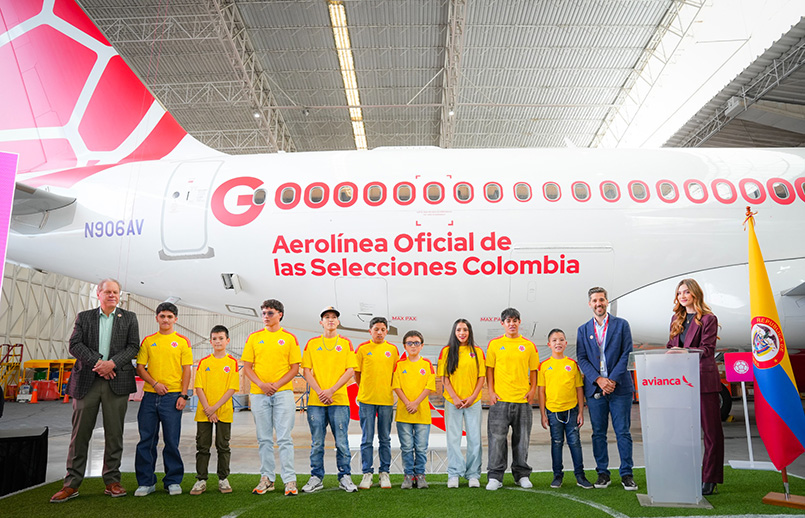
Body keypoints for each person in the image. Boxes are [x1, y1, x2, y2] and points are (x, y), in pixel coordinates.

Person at [50, 279, 140, 503]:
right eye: (108, 291)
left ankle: (112, 481)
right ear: (98, 293)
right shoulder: (85, 317)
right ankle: (71, 484)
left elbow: (133, 346)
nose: (112, 295)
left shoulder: (129, 318)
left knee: (114, 434)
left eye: (115, 292)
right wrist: (99, 363)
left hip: (116, 381)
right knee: (80, 434)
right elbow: (75, 345)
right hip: (87, 381)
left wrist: (112, 364)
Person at [666, 278, 724, 496]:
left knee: (711, 433)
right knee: (682, 432)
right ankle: (685, 474)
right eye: (679, 293)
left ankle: (710, 478)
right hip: (681, 382)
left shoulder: (709, 319)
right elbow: (670, 345)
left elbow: (708, 349)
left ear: (695, 294)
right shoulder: (676, 318)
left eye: (686, 292)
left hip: (703, 381)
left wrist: (683, 352)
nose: (682, 296)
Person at [576, 287, 637, 491]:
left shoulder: (621, 325)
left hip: (620, 388)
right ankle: (603, 473)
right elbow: (582, 358)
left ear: (606, 301)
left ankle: (627, 474)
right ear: (590, 304)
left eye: (601, 299)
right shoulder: (583, 330)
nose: (598, 303)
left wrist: (611, 380)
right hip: (596, 389)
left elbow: (626, 353)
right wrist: (599, 380)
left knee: (623, 432)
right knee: (598, 433)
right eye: (594, 300)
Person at [242, 299, 302, 496]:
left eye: (270, 313)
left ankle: (289, 480)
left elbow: (295, 367)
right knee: (264, 438)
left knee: (284, 438)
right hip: (259, 394)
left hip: (283, 393)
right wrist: (261, 384)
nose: (266, 316)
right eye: (264, 313)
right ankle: (267, 478)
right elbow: (247, 367)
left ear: (280, 315)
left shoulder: (289, 338)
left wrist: (276, 385)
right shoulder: (254, 338)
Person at [134, 302, 193, 496]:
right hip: (150, 396)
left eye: (169, 316)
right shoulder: (148, 341)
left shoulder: (183, 341)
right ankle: (146, 482)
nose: (166, 320)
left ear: (175, 319)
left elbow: (187, 370)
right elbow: (140, 368)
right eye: (162, 316)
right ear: (156, 318)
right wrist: (155, 383)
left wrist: (183, 395)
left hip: (173, 397)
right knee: (146, 440)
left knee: (171, 440)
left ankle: (173, 481)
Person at [301, 307, 358, 493]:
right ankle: (316, 477)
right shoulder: (312, 343)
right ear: (321, 322)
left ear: (338, 322)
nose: (331, 320)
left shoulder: (346, 343)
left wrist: (331, 390)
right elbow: (306, 370)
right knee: (317, 442)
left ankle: (345, 476)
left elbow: (350, 370)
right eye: (327, 317)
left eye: (334, 317)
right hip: (316, 402)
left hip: (339, 400)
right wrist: (320, 391)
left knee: (341, 441)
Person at [485, 307, 539, 491]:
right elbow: (490, 370)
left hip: (522, 401)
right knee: (497, 440)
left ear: (519, 322)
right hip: (500, 400)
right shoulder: (494, 344)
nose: (512, 324)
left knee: (522, 440)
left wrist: (532, 391)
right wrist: (491, 392)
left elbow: (534, 371)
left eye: (515, 320)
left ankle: (521, 475)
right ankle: (495, 476)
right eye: (508, 321)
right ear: (502, 323)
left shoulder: (529, 346)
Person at [538, 328, 593, 489]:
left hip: (572, 410)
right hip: (553, 411)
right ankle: (557, 476)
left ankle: (580, 476)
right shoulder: (544, 366)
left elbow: (579, 389)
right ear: (549, 344)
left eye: (561, 339)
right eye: (554, 340)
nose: (558, 343)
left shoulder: (572, 364)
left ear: (566, 343)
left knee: (575, 442)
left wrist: (581, 411)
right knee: (556, 442)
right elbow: (541, 391)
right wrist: (543, 414)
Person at [190, 325, 239, 495]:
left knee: (223, 446)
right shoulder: (204, 362)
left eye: (221, 338)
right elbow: (198, 387)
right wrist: (208, 409)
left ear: (227, 340)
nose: (218, 342)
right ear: (210, 341)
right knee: (202, 446)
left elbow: (231, 389)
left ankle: (223, 479)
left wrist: (215, 408)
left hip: (223, 412)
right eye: (215, 339)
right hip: (204, 412)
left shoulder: (232, 362)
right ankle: (201, 479)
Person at [437, 319, 485, 488]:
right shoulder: (446, 351)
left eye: (465, 329)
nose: (462, 333)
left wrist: (472, 397)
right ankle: (454, 473)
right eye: (459, 330)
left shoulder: (477, 351)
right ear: (454, 332)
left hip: (473, 402)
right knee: (453, 438)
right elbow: (444, 378)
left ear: (469, 332)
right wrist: (455, 398)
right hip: (453, 402)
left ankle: (473, 474)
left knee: (475, 438)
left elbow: (481, 377)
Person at [354, 316, 399, 489]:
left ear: (387, 331)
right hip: (366, 400)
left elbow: (395, 374)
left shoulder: (392, 350)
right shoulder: (363, 348)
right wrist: (366, 388)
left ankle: (384, 473)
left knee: (385, 438)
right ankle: (367, 473)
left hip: (386, 400)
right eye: (376, 329)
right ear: (370, 331)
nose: (379, 332)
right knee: (367, 438)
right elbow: (357, 373)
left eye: (382, 330)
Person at [392, 330, 435, 489]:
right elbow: (396, 386)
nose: (413, 346)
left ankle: (420, 475)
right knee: (407, 447)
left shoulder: (427, 364)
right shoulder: (399, 365)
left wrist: (416, 403)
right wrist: (408, 403)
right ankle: (408, 475)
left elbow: (429, 386)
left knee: (421, 448)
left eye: (416, 343)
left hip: (422, 414)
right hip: (404, 414)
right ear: (404, 346)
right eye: (409, 343)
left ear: (422, 345)